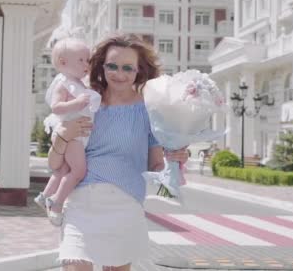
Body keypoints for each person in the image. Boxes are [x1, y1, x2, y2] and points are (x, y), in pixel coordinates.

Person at [47, 33, 189, 271]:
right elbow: (54, 164)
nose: (119, 74)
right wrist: (64, 134)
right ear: (101, 66)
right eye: (112, 66)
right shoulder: (82, 101)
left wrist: (174, 160)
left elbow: (155, 166)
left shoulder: (149, 111)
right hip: (80, 205)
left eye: (128, 68)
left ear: (139, 70)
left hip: (125, 205)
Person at [34, 36, 101, 226]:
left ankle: (44, 195)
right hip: (72, 136)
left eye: (87, 60)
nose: (86, 64)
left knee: (65, 169)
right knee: (79, 171)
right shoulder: (63, 83)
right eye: (81, 60)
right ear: (63, 62)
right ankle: (56, 202)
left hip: (78, 136)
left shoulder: (79, 84)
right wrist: (77, 103)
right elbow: (56, 107)